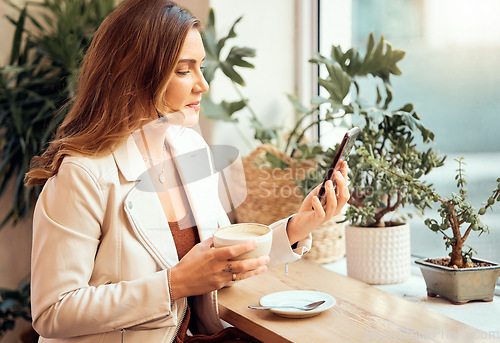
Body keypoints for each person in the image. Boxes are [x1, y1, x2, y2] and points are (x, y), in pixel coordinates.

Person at [25, 0, 349, 342]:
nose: (202, 84)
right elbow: (52, 312)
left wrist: (298, 227)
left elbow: (220, 256)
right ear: (134, 75)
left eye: (201, 67)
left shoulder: (188, 148)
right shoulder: (82, 175)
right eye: (184, 70)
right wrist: (175, 283)